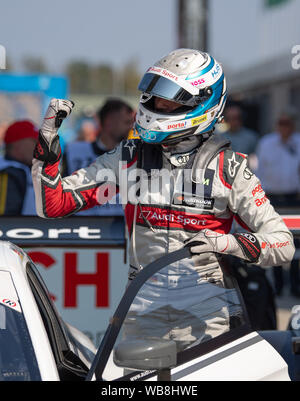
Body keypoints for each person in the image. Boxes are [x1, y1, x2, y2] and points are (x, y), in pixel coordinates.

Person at [32, 49, 295, 350]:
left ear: (203, 102)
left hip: (210, 317)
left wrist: (228, 244)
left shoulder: (229, 168)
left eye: (171, 100)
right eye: (157, 96)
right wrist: (48, 144)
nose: (159, 105)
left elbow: (283, 243)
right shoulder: (129, 156)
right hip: (142, 313)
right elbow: (52, 204)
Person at [256, 110, 300, 296]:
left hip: (294, 199)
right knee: (275, 240)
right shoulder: (266, 143)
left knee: (296, 244)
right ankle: (278, 286)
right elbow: (260, 171)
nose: (284, 127)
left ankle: (296, 285)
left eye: (287, 123)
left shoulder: (298, 142)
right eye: (281, 123)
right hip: (272, 198)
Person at [63, 98, 134, 176]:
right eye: (127, 122)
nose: (131, 127)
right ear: (109, 121)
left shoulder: (133, 156)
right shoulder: (75, 151)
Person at [0, 120, 38, 215]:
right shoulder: (9, 172)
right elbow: (5, 219)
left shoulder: (25, 170)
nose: (39, 146)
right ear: (18, 145)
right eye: (34, 141)